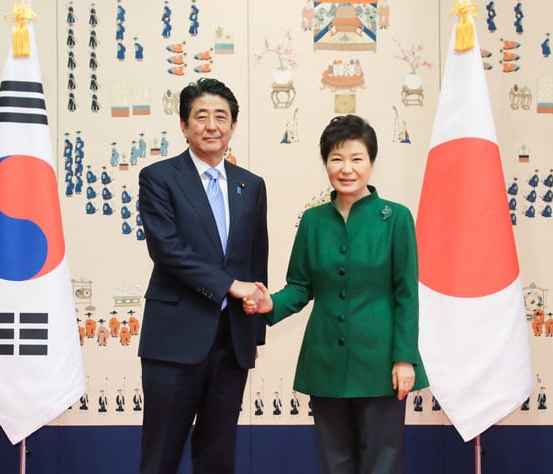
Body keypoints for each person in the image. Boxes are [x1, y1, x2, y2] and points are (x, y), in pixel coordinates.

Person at [244, 115, 428, 474]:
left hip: (381, 364)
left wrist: (404, 359)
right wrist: (270, 304)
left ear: (371, 163)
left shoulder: (396, 219)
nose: (346, 169)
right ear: (326, 163)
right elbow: (300, 286)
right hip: (325, 360)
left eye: (357, 159)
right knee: (334, 462)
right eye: (336, 158)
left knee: (382, 461)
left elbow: (406, 294)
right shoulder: (313, 221)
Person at [138, 77, 268, 474]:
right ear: (184, 125)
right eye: (201, 116)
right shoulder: (159, 177)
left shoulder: (252, 184)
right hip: (174, 342)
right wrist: (230, 285)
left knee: (218, 455)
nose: (212, 125)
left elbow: (255, 259)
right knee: (161, 455)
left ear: (233, 126)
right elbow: (168, 251)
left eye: (221, 117)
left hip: (231, 344)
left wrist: (254, 332)